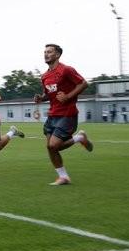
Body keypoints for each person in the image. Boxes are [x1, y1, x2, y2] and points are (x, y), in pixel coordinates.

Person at [34, 44, 93, 185]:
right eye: (45, 52)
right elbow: (49, 94)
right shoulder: (45, 76)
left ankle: (79, 138)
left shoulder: (66, 70)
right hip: (52, 115)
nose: (46, 54)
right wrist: (41, 98)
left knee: (54, 145)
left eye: (49, 52)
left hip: (67, 114)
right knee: (50, 147)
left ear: (57, 55)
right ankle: (63, 177)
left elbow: (84, 84)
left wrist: (68, 96)